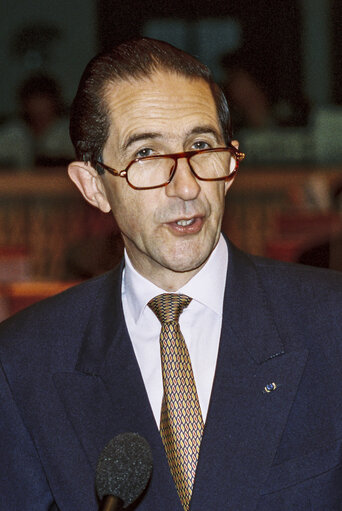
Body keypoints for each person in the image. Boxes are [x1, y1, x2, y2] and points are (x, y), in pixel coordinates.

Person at [0, 38, 341, 511]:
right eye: (146, 155)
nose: (186, 186)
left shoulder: (331, 322)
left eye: (201, 147)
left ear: (230, 166)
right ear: (94, 186)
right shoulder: (22, 363)